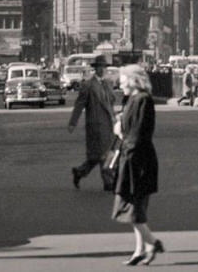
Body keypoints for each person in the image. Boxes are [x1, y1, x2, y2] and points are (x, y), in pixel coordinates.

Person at [111, 68, 161, 266]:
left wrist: (121, 133)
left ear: (133, 80)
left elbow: (139, 133)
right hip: (132, 158)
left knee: (129, 207)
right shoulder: (132, 100)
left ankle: (152, 243)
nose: (120, 83)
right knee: (134, 206)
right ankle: (140, 250)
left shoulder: (142, 100)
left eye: (123, 79)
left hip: (138, 161)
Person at [69, 57, 118, 190]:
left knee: (96, 156)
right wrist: (73, 122)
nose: (102, 70)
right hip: (95, 125)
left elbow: (111, 103)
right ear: (95, 69)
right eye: (100, 67)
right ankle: (108, 182)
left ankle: (79, 172)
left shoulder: (107, 84)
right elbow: (79, 105)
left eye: (104, 67)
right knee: (104, 154)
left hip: (108, 125)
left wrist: (116, 119)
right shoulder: (88, 85)